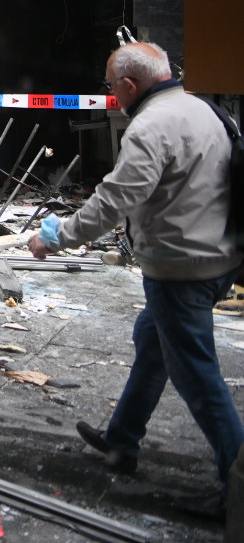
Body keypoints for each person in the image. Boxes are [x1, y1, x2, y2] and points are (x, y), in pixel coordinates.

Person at [28, 42, 241, 501]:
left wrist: (57, 236)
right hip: (219, 255)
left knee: (197, 377)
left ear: (129, 85)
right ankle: (122, 441)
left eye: (111, 86)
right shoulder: (203, 109)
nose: (111, 95)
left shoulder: (149, 126)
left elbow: (114, 201)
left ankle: (238, 486)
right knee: (153, 341)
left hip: (181, 268)